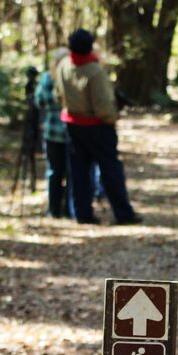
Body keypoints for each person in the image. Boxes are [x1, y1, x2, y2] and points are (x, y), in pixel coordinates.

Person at [54, 28, 142, 226]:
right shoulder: (95, 71)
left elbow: (59, 93)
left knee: (79, 171)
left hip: (73, 125)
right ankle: (123, 213)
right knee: (110, 169)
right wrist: (111, 118)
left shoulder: (64, 66)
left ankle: (82, 213)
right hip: (97, 126)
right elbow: (102, 104)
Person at [34, 49, 69, 218]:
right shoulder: (50, 78)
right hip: (59, 132)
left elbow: (40, 100)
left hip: (64, 133)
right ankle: (58, 209)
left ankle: (63, 209)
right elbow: (40, 100)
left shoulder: (64, 75)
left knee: (63, 172)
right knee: (59, 172)